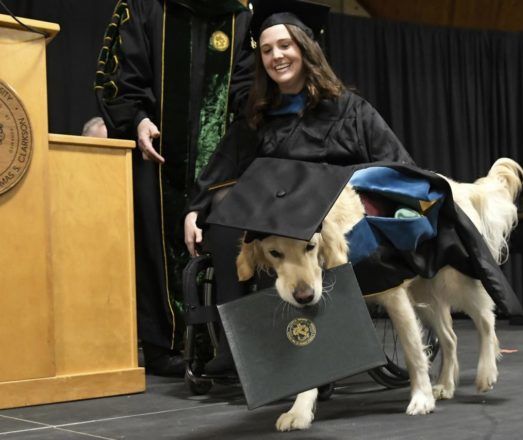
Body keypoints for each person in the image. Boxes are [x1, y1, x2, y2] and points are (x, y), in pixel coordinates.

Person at [183, 1, 414, 375]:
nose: (276, 56)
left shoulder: (350, 110)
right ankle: (235, 344)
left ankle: (300, 351)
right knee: (225, 211)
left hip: (332, 221)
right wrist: (196, 209)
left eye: (285, 45)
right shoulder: (259, 115)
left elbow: (395, 166)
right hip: (278, 222)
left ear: (305, 48)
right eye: (267, 50)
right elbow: (222, 165)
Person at [95, 0, 256, 376]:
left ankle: (223, 344)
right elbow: (118, 77)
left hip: (221, 165)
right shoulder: (144, 6)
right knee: (155, 241)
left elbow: (249, 89)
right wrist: (137, 119)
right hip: (155, 155)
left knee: (224, 238)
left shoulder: (240, 16)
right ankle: (164, 344)